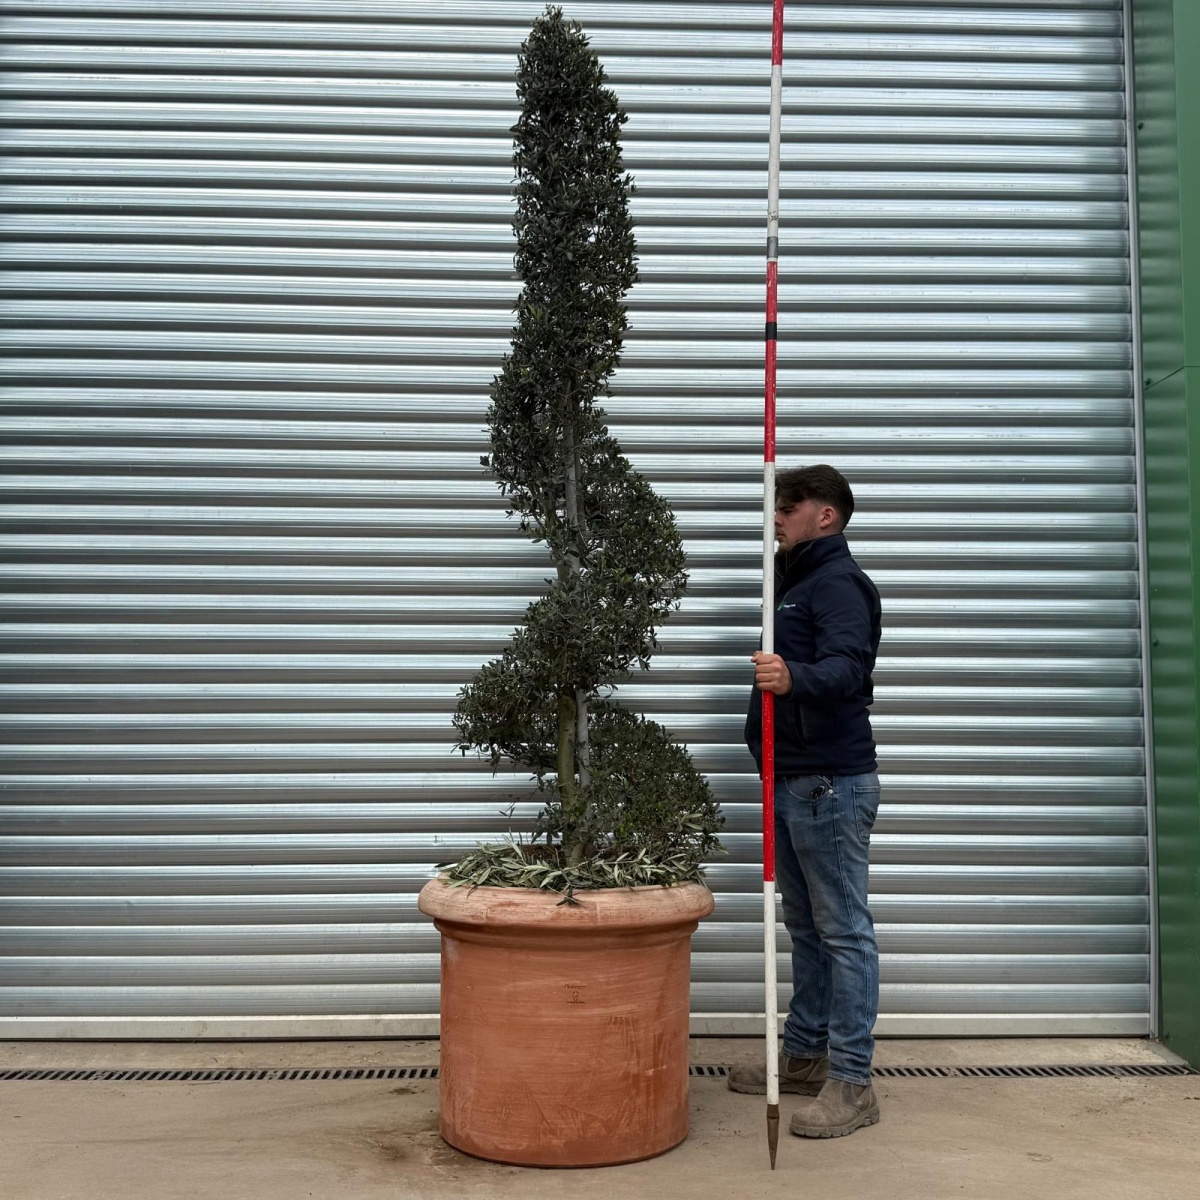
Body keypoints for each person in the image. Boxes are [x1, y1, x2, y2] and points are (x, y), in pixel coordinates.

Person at [729, 463, 884, 1139]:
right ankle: (803, 1055)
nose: (777, 517)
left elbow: (851, 668)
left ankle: (852, 1084)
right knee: (809, 931)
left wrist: (793, 676)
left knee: (844, 933)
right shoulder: (791, 583)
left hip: (830, 784)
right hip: (791, 782)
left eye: (788, 507)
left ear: (826, 515)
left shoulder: (839, 583)